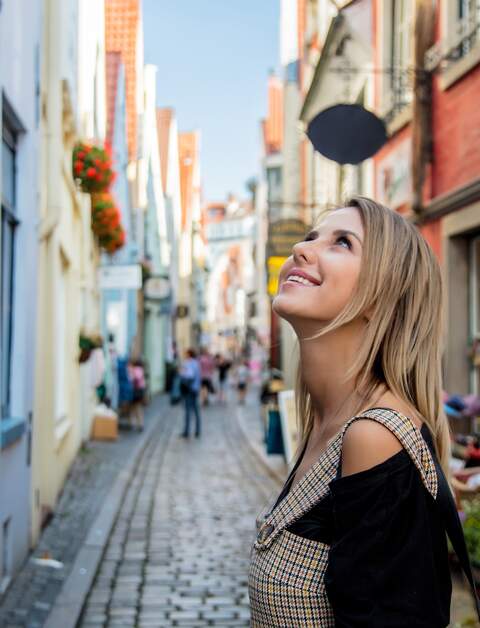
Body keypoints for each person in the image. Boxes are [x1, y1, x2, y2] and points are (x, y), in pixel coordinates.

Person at [249, 196, 480, 626]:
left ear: (382, 296)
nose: (303, 248)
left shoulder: (374, 436)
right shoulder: (328, 422)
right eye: (311, 236)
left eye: (342, 243)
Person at [180, 348, 202, 438]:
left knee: (188, 411)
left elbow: (189, 376)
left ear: (189, 354)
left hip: (189, 389)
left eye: (185, 354)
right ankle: (197, 430)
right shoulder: (196, 363)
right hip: (195, 389)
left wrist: (181, 373)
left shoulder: (188, 363)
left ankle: (186, 431)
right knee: (196, 410)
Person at [128, 358, 145, 431]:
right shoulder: (141, 370)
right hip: (140, 391)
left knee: (132, 408)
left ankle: (132, 423)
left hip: (134, 391)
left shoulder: (133, 370)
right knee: (139, 408)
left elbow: (131, 379)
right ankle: (140, 423)